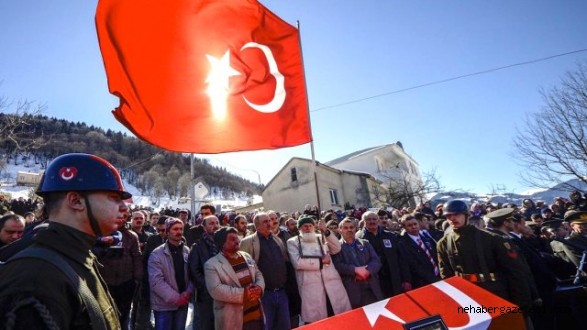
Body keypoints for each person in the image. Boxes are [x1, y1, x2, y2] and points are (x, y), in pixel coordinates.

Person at [0, 153, 131, 329]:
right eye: (114, 198)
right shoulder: (36, 278)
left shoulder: (78, 256)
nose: (124, 207)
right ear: (76, 201)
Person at [436, 200, 534, 314]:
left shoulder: (492, 239)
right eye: (448, 216)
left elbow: (515, 272)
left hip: (496, 293)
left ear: (466, 215)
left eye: (456, 214)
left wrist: (522, 302)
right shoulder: (443, 243)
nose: (452, 218)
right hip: (468, 298)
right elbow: (446, 275)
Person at [287, 216, 351, 324]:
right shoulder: (293, 242)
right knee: (319, 322)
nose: (308, 228)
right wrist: (321, 262)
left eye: (310, 226)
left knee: (340, 319)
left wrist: (325, 230)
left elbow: (336, 248)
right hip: (311, 287)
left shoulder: (321, 237)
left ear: (314, 227)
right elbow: (297, 263)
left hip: (332, 284)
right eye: (304, 226)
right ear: (299, 229)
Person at [205, 227, 265, 330]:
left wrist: (259, 288)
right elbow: (216, 290)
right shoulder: (212, 264)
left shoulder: (246, 256)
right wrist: (245, 293)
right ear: (222, 243)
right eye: (232, 239)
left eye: (237, 238)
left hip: (256, 315)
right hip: (234, 319)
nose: (237, 241)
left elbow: (258, 274)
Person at [240, 212, 290, 329]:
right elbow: (243, 269)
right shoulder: (248, 242)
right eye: (265, 222)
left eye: (269, 221)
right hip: (263, 295)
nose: (269, 223)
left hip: (281, 293)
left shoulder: (277, 240)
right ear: (257, 226)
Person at [148, 217, 193, 330]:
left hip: (182, 303)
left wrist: (188, 292)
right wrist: (177, 298)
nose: (179, 232)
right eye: (175, 229)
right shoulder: (157, 254)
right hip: (164, 306)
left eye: (181, 229)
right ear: (167, 232)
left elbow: (192, 274)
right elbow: (156, 282)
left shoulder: (186, 251)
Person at [356, 211, 409, 297]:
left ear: (378, 220)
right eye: (368, 219)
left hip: (394, 280)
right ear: (363, 222)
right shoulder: (358, 239)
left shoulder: (391, 236)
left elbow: (401, 259)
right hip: (374, 283)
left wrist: (406, 279)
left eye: (374, 219)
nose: (372, 221)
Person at [333, 218, 383, 308]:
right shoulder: (336, 247)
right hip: (353, 289)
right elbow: (338, 265)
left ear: (355, 229)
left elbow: (376, 261)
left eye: (351, 227)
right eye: (346, 228)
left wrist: (367, 272)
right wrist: (355, 270)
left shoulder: (365, 243)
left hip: (372, 287)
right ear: (339, 230)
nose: (349, 230)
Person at [188, 215, 221, 330]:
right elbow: (194, 270)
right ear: (204, 227)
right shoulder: (197, 246)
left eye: (217, 223)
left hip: (223, 292)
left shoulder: (223, 244)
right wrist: (208, 285)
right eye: (211, 223)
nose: (215, 226)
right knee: (204, 324)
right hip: (205, 294)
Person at [397, 214, 440, 289]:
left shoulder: (426, 237)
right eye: (409, 225)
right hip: (423, 282)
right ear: (404, 228)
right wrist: (433, 278)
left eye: (415, 224)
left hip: (438, 275)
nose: (413, 227)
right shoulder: (403, 243)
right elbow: (414, 265)